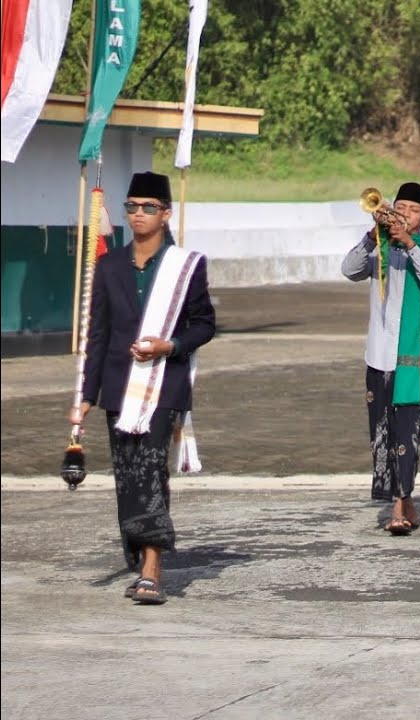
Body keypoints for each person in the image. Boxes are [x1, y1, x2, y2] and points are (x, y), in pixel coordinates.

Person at [75, 171, 217, 605]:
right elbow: (97, 335)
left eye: (148, 207)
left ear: (166, 214)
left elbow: (204, 324)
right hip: (120, 387)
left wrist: (169, 345)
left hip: (163, 384)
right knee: (126, 473)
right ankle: (140, 553)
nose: (139, 214)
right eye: (132, 206)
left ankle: (153, 565)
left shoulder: (185, 266)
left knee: (151, 468)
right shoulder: (110, 265)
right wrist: (85, 396)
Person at [342, 182, 420, 534]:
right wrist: (373, 236)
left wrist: (410, 244)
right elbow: (349, 269)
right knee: (381, 434)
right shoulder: (379, 249)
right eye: (399, 206)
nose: (404, 213)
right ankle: (399, 498)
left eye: (412, 210)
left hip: (413, 357)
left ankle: (401, 502)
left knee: (408, 433)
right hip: (378, 354)